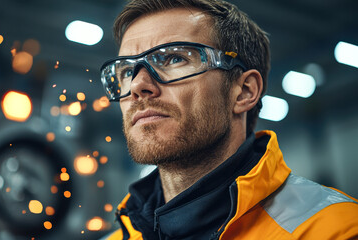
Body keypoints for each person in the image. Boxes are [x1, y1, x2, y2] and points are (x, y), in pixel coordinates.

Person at [99, 0, 358, 239]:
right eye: (126, 71)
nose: (137, 85)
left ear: (244, 91)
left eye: (174, 57)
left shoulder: (336, 229)